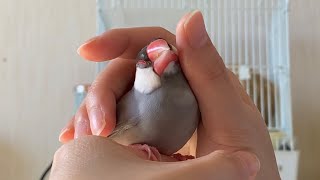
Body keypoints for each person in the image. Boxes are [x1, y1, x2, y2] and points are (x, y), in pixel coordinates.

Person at [51, 11, 280, 180]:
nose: (160, 60)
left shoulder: (199, 101)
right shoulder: (137, 104)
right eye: (147, 61)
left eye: (167, 53)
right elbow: (109, 140)